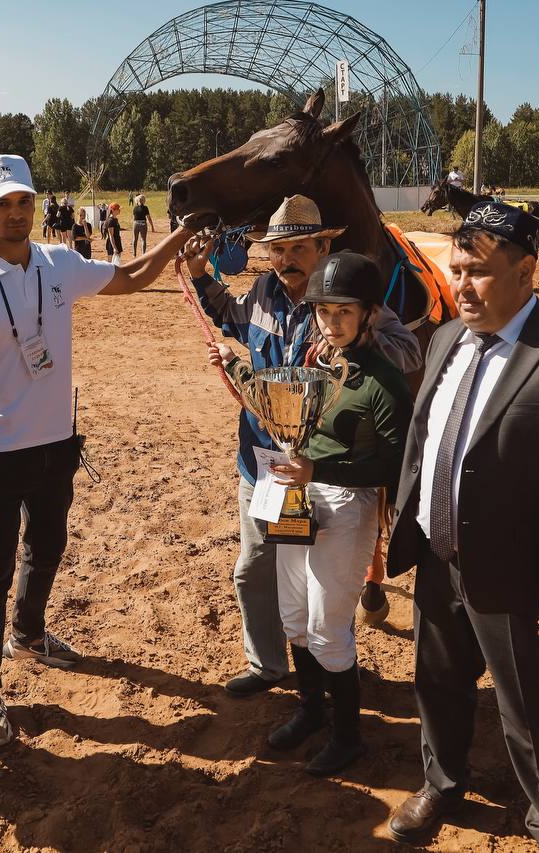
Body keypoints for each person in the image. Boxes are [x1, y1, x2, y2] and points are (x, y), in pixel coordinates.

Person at [0, 154, 197, 750]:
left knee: (47, 546)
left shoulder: (59, 264)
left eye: (24, 201)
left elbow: (132, 276)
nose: (16, 214)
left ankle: (29, 635)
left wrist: (180, 234)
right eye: (2, 204)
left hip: (55, 447)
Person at [383, 201, 539, 851]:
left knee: (530, 713)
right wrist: (401, 520)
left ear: (525, 273)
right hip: (438, 556)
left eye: (479, 272)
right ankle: (444, 779)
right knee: (436, 681)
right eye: (455, 268)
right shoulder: (441, 340)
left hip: (519, 575)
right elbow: (422, 439)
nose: (460, 284)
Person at [183, 194, 422, 698]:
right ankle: (269, 665)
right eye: (277, 250)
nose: (285, 259)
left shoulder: (348, 300)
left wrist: (348, 338)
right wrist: (203, 276)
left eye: (296, 248)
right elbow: (229, 313)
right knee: (254, 572)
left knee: (322, 588)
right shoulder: (263, 291)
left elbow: (407, 353)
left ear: (321, 246)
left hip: (325, 470)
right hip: (264, 461)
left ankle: (332, 670)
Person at [211, 251, 413, 776]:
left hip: (348, 506)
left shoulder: (383, 380)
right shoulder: (315, 364)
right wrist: (234, 365)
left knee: (327, 629)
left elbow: (396, 461)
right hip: (294, 495)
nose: (332, 322)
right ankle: (309, 711)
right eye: (324, 312)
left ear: (370, 313)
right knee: (294, 618)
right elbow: (277, 404)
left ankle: (348, 737)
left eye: (344, 312)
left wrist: (321, 471)